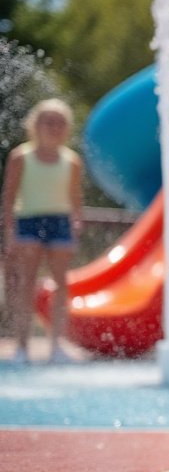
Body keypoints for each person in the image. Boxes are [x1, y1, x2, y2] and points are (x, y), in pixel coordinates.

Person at [2, 99, 83, 365]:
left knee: (61, 285)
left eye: (60, 122)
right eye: (49, 121)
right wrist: (10, 232)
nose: (54, 127)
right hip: (28, 221)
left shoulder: (71, 161)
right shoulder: (20, 157)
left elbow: (74, 197)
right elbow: (9, 196)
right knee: (26, 284)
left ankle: (56, 343)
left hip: (60, 221)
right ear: (35, 125)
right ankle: (21, 345)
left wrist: (76, 224)